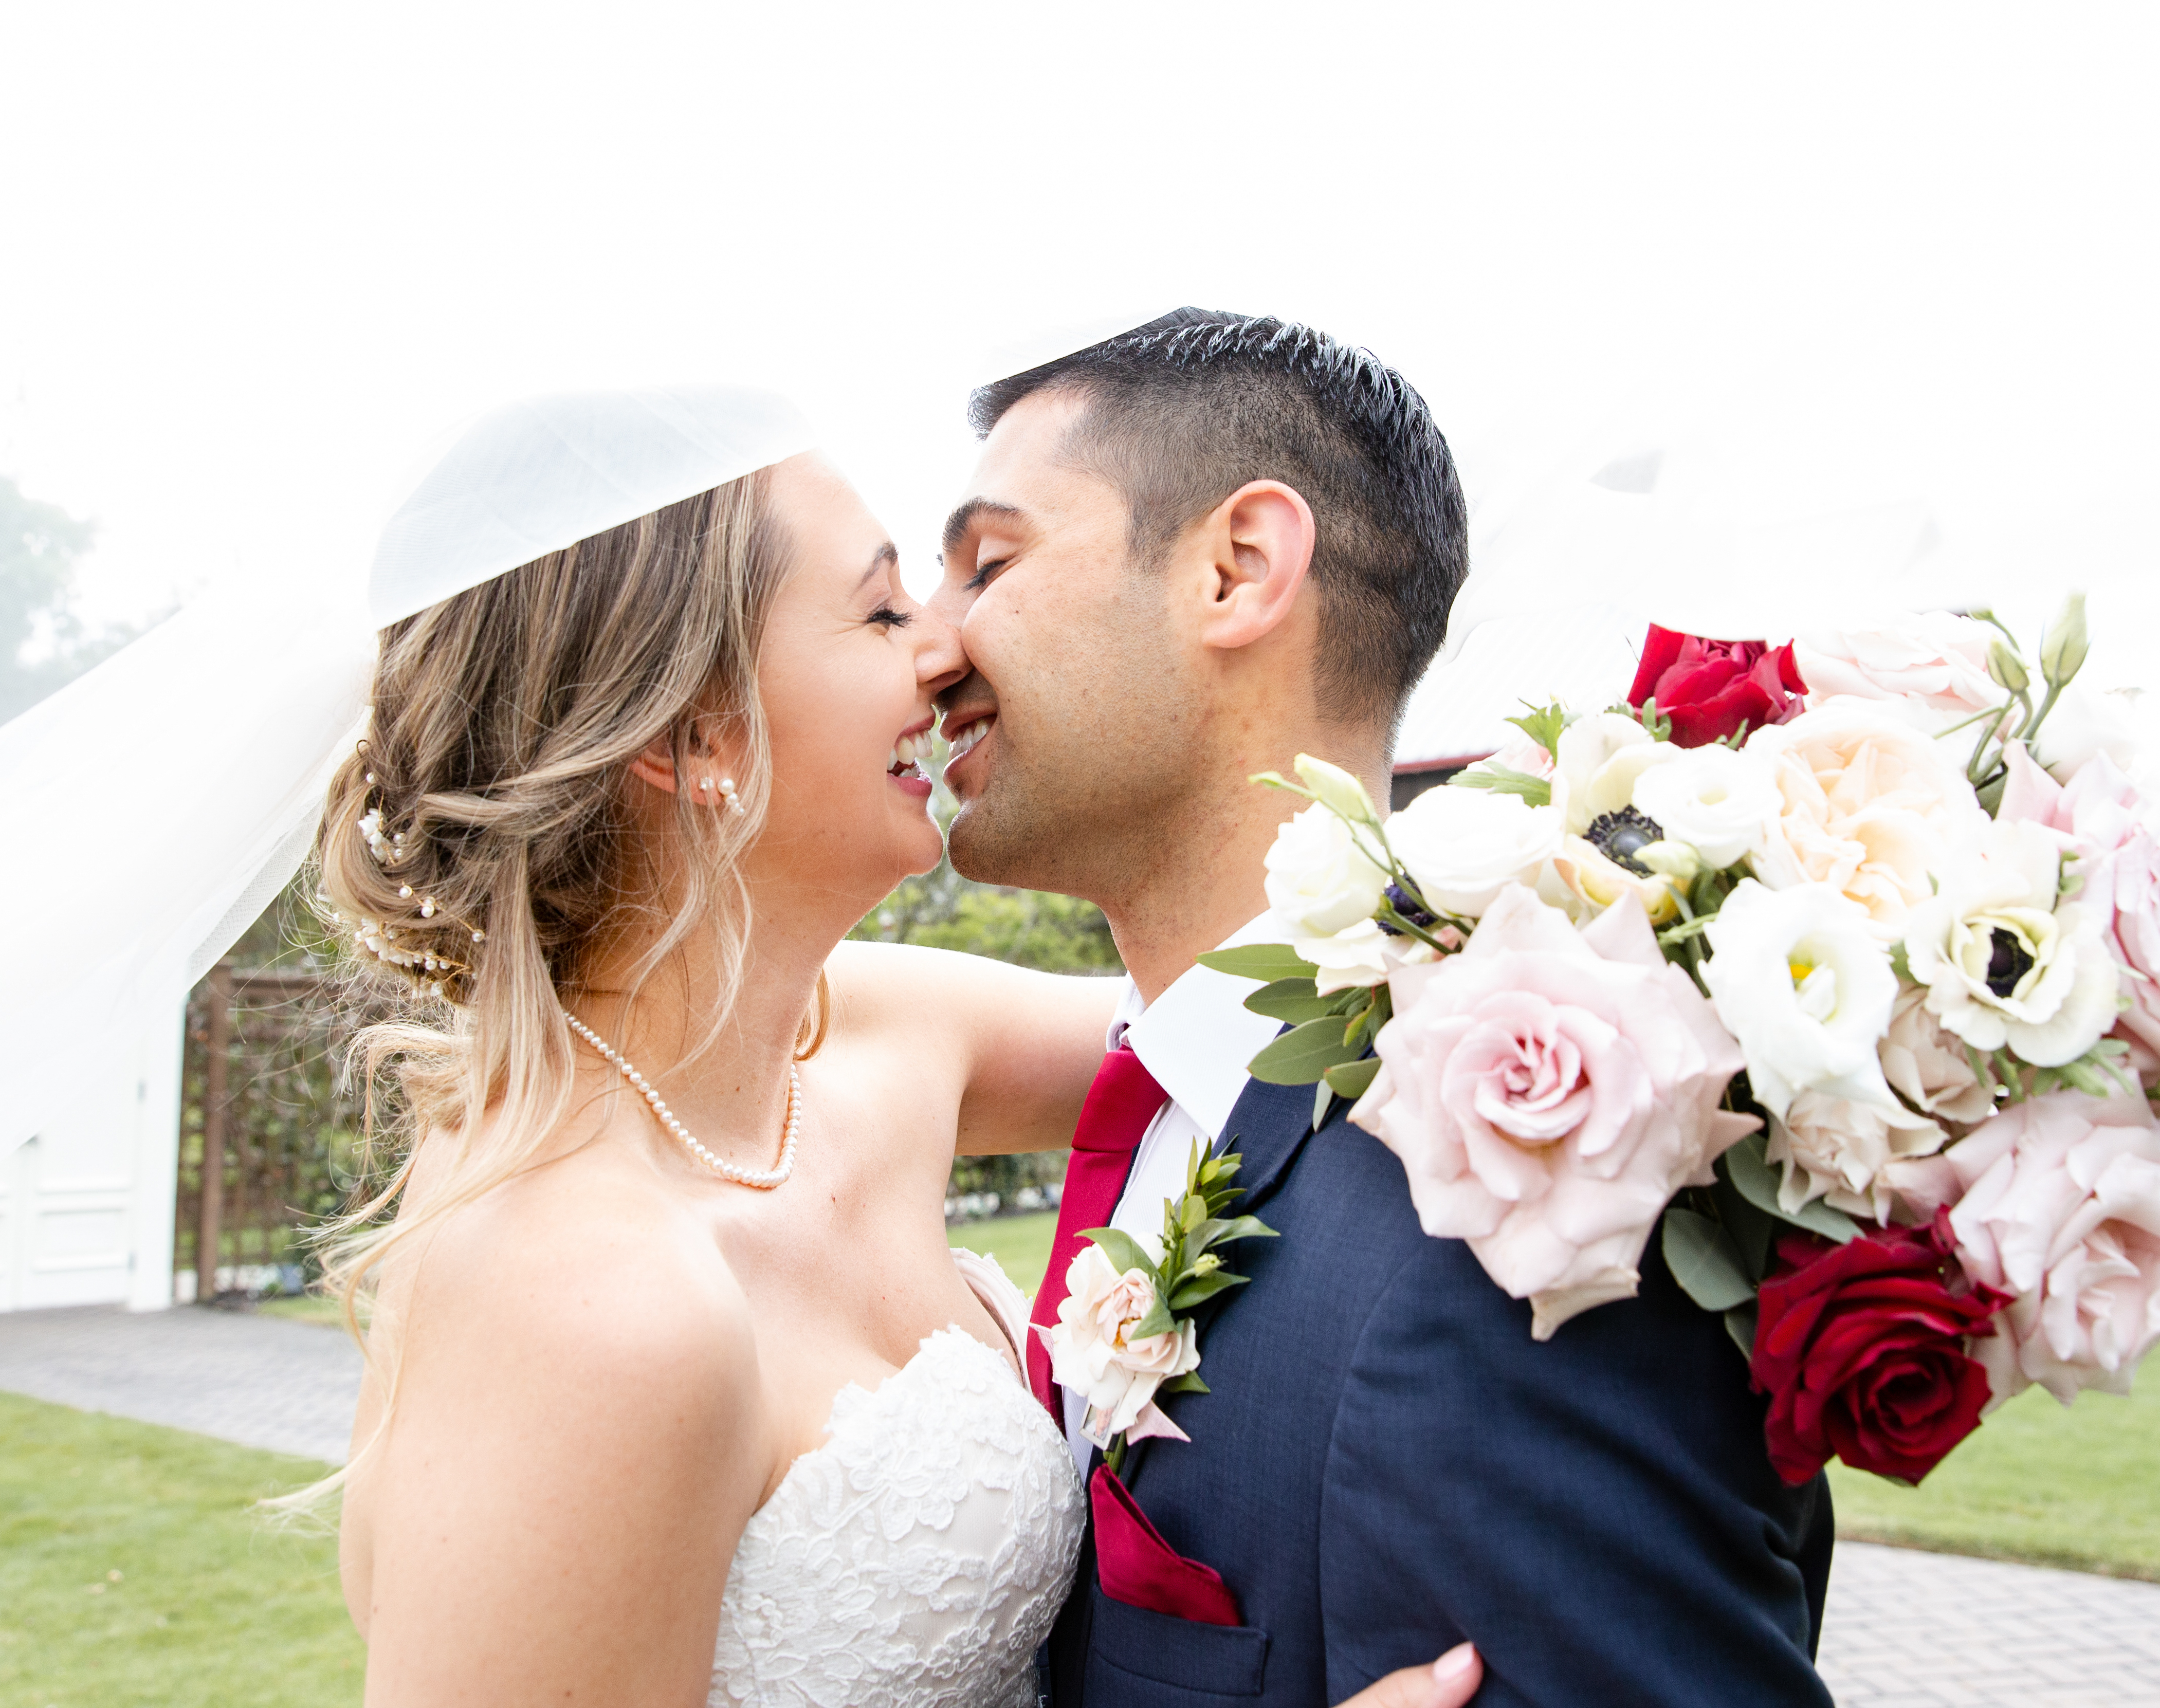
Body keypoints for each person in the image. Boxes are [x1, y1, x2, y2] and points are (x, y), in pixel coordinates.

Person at [244, 386, 1478, 1708]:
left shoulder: (884, 1032)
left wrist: (1666, 882)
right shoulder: (589, 1303)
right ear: (697, 732)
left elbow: (1269, 1003)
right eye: (885, 611)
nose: (942, 653)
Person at [927, 310, 1836, 1707]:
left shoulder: (1512, 1211)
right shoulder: (1177, 1087)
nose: (931, 649)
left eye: (988, 563)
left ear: (1237, 569)